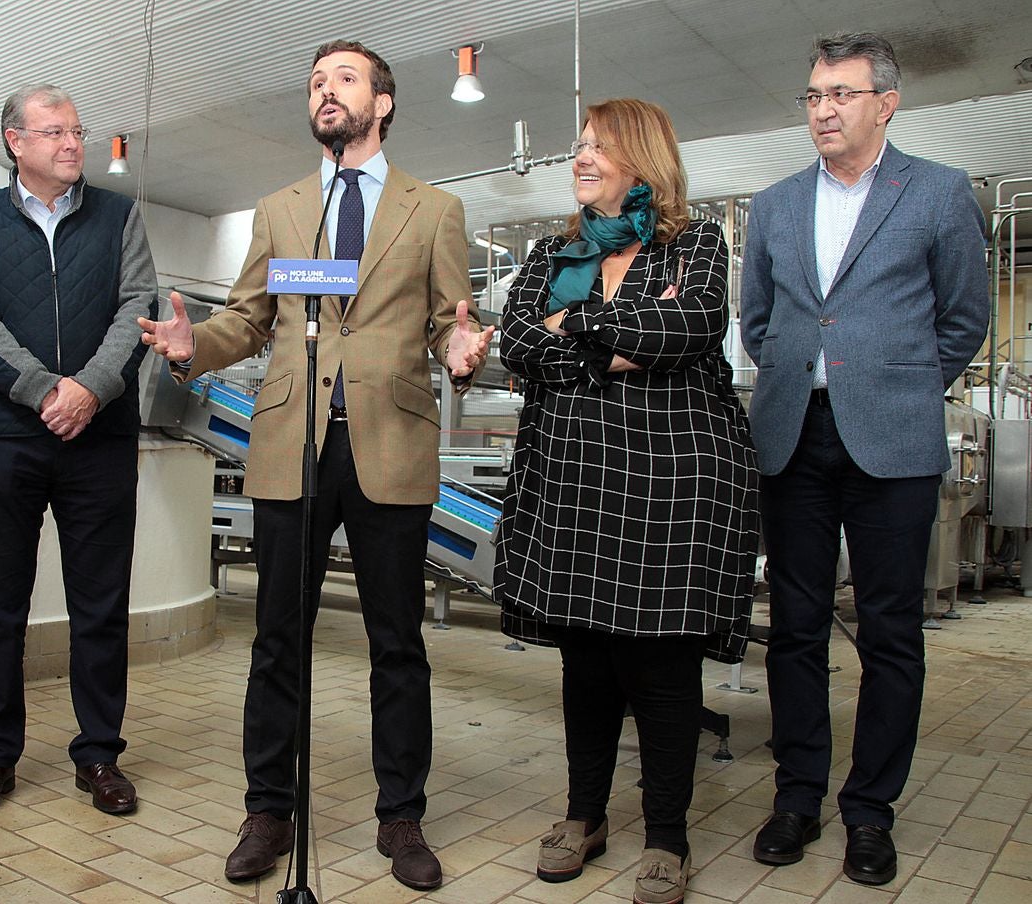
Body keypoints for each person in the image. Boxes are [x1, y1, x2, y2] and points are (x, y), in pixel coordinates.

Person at [138, 40, 493, 891]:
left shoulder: (434, 210)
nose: (325, 93)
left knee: (396, 643)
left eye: (342, 80)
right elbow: (251, 320)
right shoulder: (282, 207)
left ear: (385, 102)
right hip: (291, 446)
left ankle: (400, 816)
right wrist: (194, 348)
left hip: (391, 444)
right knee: (276, 640)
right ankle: (268, 811)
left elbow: (449, 320)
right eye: (314, 83)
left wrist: (465, 345)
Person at [494, 98, 759, 904]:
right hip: (573, 478)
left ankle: (668, 838)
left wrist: (577, 328)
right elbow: (518, 336)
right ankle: (584, 815)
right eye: (576, 146)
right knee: (587, 663)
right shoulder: (552, 249)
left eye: (593, 147)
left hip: (672, 481)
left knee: (663, 667)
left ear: (639, 159)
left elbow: (697, 325)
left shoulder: (696, 244)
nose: (578, 159)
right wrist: (609, 344)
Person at [740, 33, 988, 887]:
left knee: (891, 632)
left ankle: (869, 810)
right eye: (813, 96)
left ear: (885, 103)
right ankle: (798, 796)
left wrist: (903, 386)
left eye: (841, 94)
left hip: (893, 438)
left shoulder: (941, 193)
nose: (823, 110)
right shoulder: (773, 205)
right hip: (792, 433)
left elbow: (964, 318)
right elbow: (758, 320)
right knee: (796, 629)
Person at [0, 84, 157, 819]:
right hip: (5, 435)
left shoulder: (120, 216)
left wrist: (92, 390)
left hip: (99, 437)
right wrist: (43, 391)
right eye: (55, 132)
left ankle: (99, 754)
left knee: (101, 603)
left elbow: (139, 305)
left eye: (78, 131)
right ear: (15, 140)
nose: (73, 144)